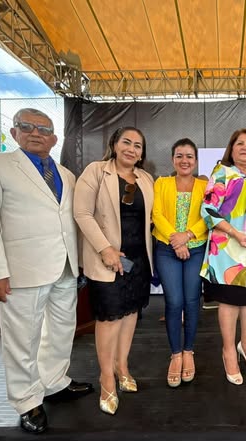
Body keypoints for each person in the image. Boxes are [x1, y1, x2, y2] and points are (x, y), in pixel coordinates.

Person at [0, 108, 93, 434]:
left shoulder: (66, 175)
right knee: (22, 339)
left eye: (44, 129)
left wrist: (80, 261)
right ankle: (26, 400)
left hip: (65, 266)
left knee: (62, 330)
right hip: (20, 270)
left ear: (54, 138)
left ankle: (54, 382)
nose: (36, 133)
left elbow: (69, 219)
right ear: (15, 132)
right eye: (27, 126)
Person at [74, 126, 154, 415]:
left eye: (138, 145)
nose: (131, 149)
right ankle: (106, 377)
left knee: (130, 313)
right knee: (109, 318)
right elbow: (82, 213)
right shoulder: (96, 171)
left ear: (142, 153)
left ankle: (122, 367)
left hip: (138, 259)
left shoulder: (146, 178)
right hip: (106, 259)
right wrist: (105, 249)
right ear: (114, 144)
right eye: (126, 142)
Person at [200, 128, 246, 386]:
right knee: (229, 302)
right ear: (231, 148)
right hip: (228, 249)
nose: (245, 147)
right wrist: (235, 233)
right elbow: (207, 210)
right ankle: (229, 350)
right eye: (240, 143)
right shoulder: (222, 173)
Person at [152, 138, 208, 387]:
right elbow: (157, 214)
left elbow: (209, 215)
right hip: (167, 249)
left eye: (189, 156)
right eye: (179, 156)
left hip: (196, 249)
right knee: (174, 302)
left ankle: (188, 351)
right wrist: (176, 241)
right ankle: (175, 355)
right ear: (173, 159)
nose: (184, 160)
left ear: (195, 160)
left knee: (192, 301)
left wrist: (187, 236)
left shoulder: (205, 185)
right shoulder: (161, 183)